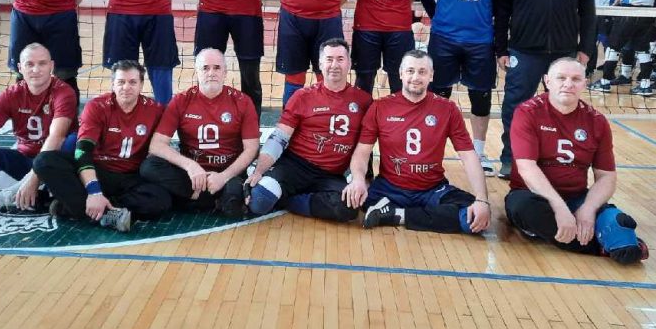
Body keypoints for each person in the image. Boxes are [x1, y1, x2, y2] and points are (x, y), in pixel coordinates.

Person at [505, 57, 648, 264]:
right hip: (534, 196)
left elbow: (606, 176)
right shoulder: (528, 112)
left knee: (615, 223)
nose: (568, 84)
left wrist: (588, 209)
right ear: (547, 81)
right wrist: (559, 208)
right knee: (525, 208)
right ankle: (603, 245)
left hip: (576, 198)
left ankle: (613, 233)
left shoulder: (597, 121)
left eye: (576, 79)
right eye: (561, 78)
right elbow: (526, 168)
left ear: (584, 84)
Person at [494, 0, 596, 179]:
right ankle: (511, 160)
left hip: (564, 52)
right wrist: (501, 48)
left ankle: (556, 162)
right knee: (515, 108)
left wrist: (586, 48)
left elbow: (588, 8)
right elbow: (502, 9)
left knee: (563, 107)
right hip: (523, 50)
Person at [346, 50, 491, 234]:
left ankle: (397, 215)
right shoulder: (380, 107)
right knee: (353, 200)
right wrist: (358, 180)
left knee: (474, 218)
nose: (415, 77)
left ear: (431, 75)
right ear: (400, 74)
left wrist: (482, 199)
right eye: (410, 71)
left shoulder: (447, 109)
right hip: (389, 189)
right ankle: (419, 215)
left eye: (422, 72)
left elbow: (468, 155)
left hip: (432, 189)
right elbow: (362, 152)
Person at [420, 0, 505, 175]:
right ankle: (433, 152)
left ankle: (478, 154)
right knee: (438, 96)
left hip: (481, 40)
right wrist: (440, 18)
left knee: (480, 98)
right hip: (444, 39)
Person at [34, 60, 168, 232]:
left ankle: (78, 208)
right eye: (121, 82)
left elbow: (163, 146)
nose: (126, 87)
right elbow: (82, 151)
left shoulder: (155, 110)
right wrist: (94, 191)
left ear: (141, 85)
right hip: (97, 171)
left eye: (133, 82)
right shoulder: (97, 107)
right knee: (44, 161)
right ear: (113, 84)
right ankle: (105, 211)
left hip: (130, 177)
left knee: (161, 200)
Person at [246, 38, 372, 222]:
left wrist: (362, 179)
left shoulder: (364, 101)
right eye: (329, 59)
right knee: (260, 201)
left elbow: (365, 148)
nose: (334, 65)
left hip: (330, 175)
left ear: (349, 63)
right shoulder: (303, 96)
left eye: (340, 59)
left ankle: (287, 200)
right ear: (320, 64)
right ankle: (285, 193)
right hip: (295, 167)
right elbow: (278, 138)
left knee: (349, 207)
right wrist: (259, 170)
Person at [0, 43, 77, 217]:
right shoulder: (10, 95)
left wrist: (33, 179)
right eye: (29, 64)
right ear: (20, 68)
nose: (36, 69)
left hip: (54, 162)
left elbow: (57, 137)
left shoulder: (63, 92)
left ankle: (10, 195)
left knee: (74, 141)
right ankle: (30, 196)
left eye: (42, 63)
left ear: (51, 66)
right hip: (24, 160)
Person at [141, 47, 260, 218]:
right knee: (149, 167)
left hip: (228, 172)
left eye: (217, 68)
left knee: (233, 204)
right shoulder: (181, 101)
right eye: (205, 68)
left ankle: (196, 199)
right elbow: (156, 145)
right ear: (197, 72)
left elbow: (252, 148)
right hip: (192, 175)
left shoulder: (242, 101)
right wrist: (190, 166)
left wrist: (223, 177)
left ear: (225, 72)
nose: (211, 73)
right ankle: (211, 199)